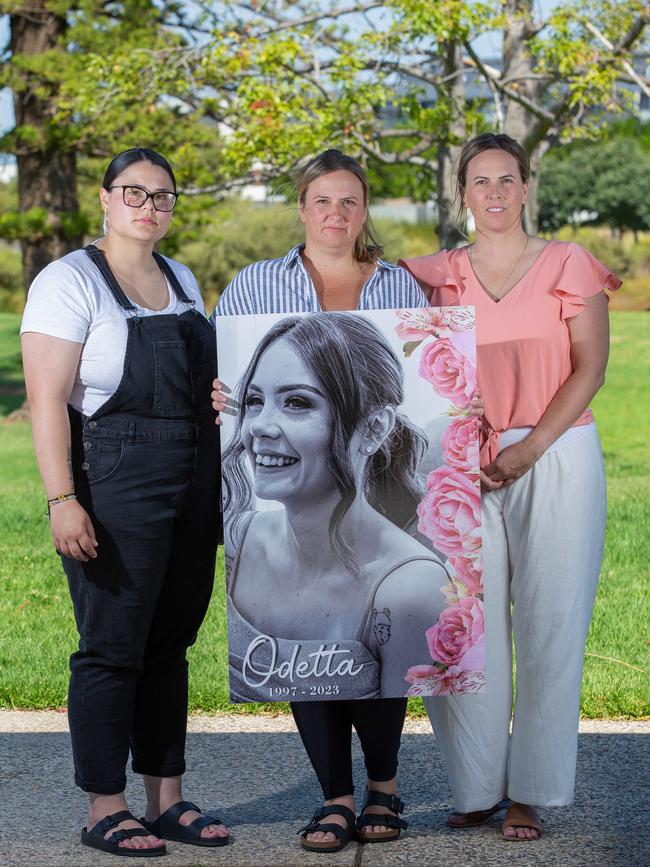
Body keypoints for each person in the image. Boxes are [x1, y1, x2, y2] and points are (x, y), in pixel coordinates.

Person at [213, 149, 446, 853]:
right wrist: (222, 393)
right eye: (322, 201)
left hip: (379, 489)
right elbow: (219, 367)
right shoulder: (256, 286)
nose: (335, 215)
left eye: (349, 202)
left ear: (365, 210)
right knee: (308, 637)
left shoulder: (399, 284)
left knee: (376, 628)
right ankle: (335, 797)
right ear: (301, 208)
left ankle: (383, 785)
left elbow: (438, 375)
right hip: (301, 499)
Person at [400, 132, 621, 841]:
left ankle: (530, 790)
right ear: (462, 192)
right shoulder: (436, 273)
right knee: (462, 626)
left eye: (506, 179)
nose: (493, 193)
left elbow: (590, 367)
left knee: (551, 624)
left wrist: (531, 446)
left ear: (527, 187)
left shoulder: (568, 263)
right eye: (479, 181)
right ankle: (475, 785)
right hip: (462, 463)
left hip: (555, 452)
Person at [21, 148, 229, 857]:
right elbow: (47, 400)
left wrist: (218, 397)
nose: (149, 205)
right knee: (113, 648)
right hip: (115, 482)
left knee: (171, 646)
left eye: (163, 195)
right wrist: (62, 498)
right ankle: (104, 805)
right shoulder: (69, 281)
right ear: (105, 199)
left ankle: (165, 798)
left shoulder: (184, 279)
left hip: (193, 481)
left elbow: (200, 383)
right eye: (134, 192)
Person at [222, 311, 450, 703]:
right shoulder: (238, 540)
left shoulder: (411, 589)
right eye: (255, 401)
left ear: (375, 428)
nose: (259, 425)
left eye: (296, 402)